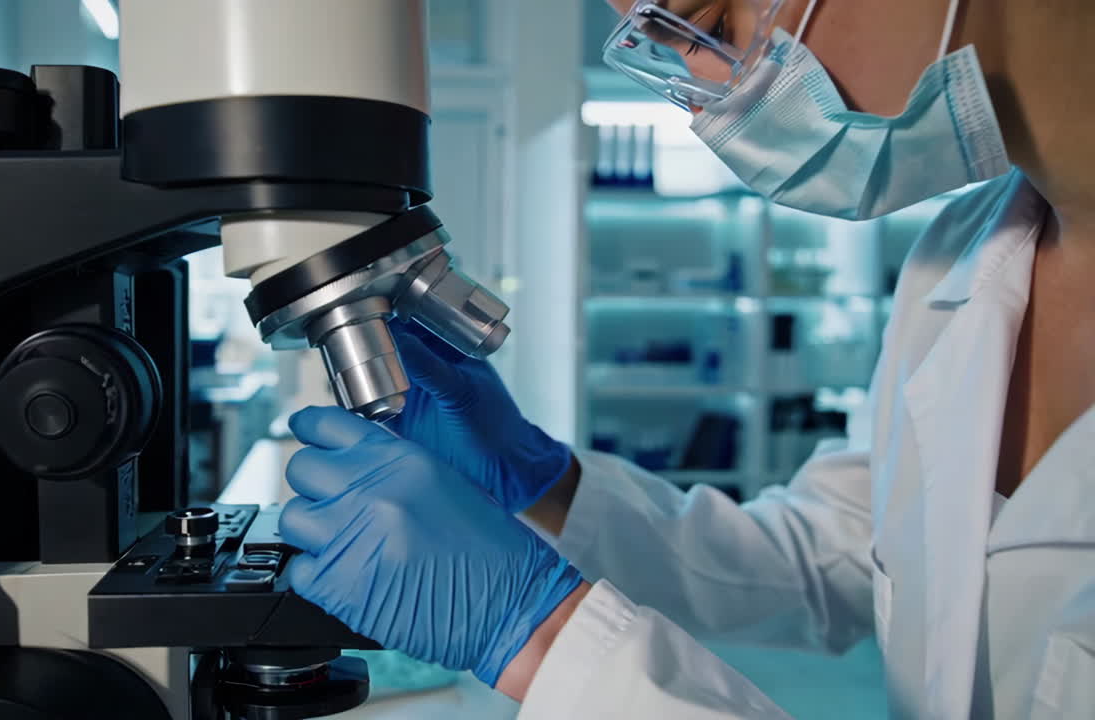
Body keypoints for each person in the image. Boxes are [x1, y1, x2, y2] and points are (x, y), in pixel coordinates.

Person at [278, 0, 1095, 716]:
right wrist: (542, 478)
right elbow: (823, 561)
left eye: (709, 24)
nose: (711, 99)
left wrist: (537, 635)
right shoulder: (954, 260)